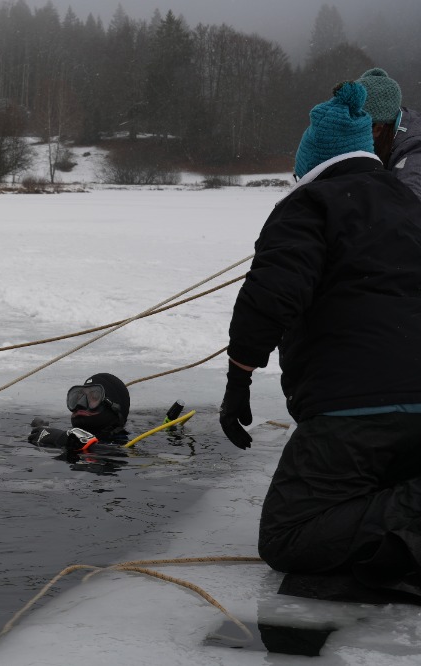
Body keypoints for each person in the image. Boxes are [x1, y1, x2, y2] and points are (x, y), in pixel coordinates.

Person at [219, 81, 421, 601]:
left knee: (290, 537)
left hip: (353, 411)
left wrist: (238, 376)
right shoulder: (411, 202)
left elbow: (271, 294)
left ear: (313, 158)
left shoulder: (310, 205)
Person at [0, 352, 137, 464]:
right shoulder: (55, 432)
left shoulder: (125, 448)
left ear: (113, 407)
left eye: (93, 398)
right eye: (78, 396)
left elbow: (121, 455)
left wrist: (64, 440)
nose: (80, 405)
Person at [356, 67, 421, 200]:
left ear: (378, 128)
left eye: (357, 128)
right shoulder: (389, 128)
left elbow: (409, 205)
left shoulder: (415, 149)